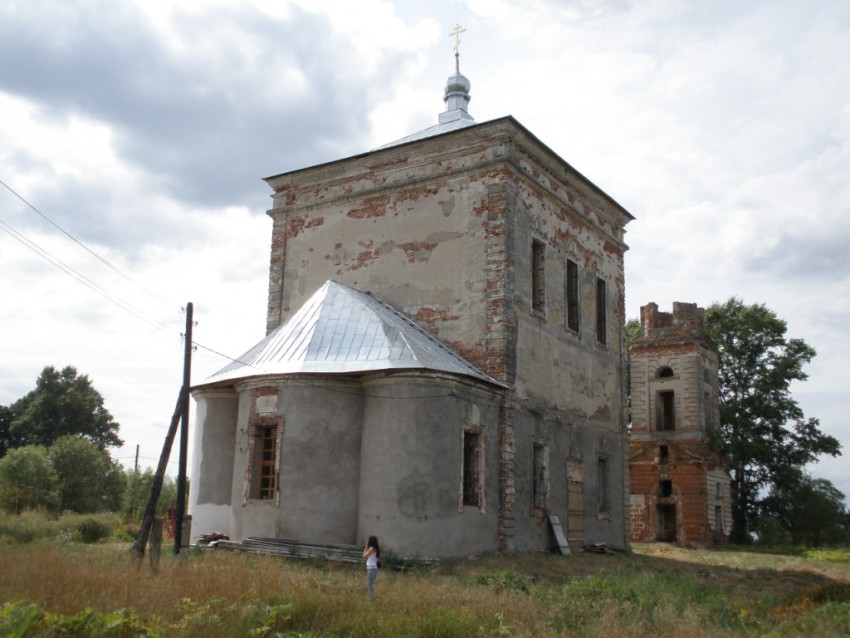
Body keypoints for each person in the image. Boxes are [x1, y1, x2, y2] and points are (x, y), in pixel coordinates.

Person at [363, 535, 380, 600]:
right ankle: (372, 598)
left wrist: (365, 547)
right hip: (374, 568)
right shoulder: (376, 548)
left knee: (370, 585)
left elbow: (364, 556)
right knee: (371, 584)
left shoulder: (371, 549)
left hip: (371, 568)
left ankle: (372, 599)